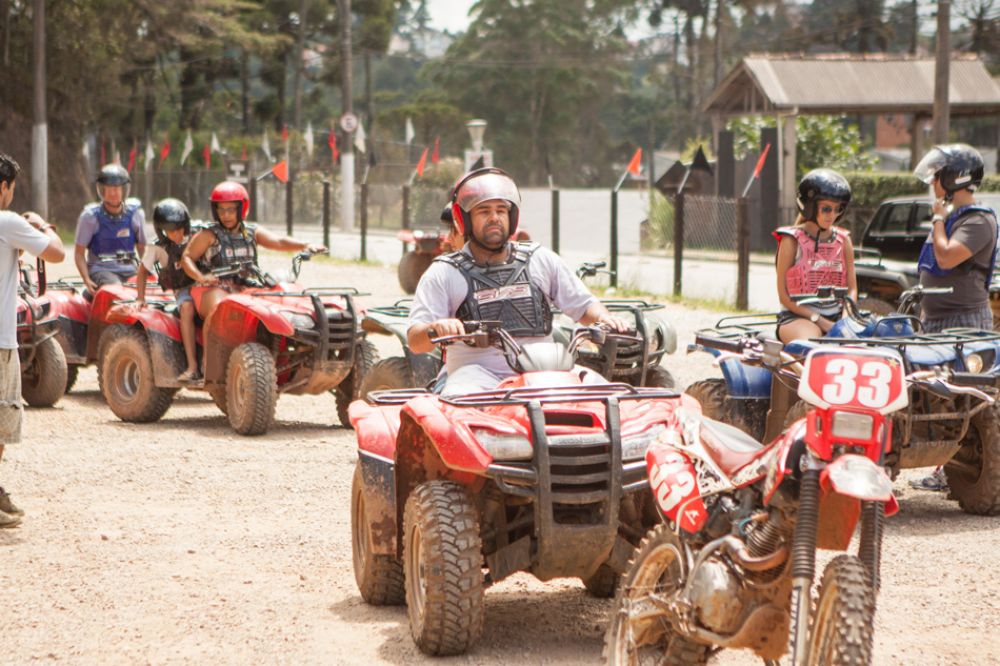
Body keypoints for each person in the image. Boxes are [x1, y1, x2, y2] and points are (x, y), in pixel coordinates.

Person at [407, 167, 628, 396]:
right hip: (477, 378)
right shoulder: (443, 273)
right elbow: (415, 341)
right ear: (464, 219)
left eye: (501, 210)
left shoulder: (541, 259)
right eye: (484, 211)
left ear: (512, 217)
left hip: (546, 374)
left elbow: (583, 305)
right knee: (459, 403)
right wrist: (435, 329)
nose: (494, 218)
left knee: (611, 397)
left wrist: (604, 318)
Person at [910, 144, 998, 492]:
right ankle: (942, 468)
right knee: (934, 396)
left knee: (966, 399)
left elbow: (946, 258)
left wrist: (936, 217)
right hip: (936, 318)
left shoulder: (978, 220)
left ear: (954, 178)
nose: (932, 181)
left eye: (937, 175)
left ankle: (957, 473)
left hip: (963, 320)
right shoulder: (956, 218)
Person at [0, 153, 65, 528]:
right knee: (3, 415)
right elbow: (55, 252)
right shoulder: (7, 220)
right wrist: (41, 224)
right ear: (4, 187)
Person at [180, 181, 326, 330]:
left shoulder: (252, 232)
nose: (225, 215)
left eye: (231, 210)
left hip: (246, 288)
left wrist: (305, 245)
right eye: (221, 210)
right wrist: (201, 277)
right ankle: (209, 354)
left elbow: (279, 242)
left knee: (279, 303)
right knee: (222, 310)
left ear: (242, 209)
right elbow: (187, 258)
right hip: (212, 289)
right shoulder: (208, 234)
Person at [773, 168, 857, 344]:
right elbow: (784, 297)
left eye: (838, 209)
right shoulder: (791, 240)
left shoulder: (844, 240)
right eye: (826, 209)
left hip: (838, 318)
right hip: (798, 317)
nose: (832, 215)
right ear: (810, 206)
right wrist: (821, 321)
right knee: (810, 344)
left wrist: (845, 319)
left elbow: (852, 289)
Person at [136, 198, 202, 383]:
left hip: (204, 285)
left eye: (180, 228)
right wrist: (140, 299)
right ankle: (192, 367)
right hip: (183, 289)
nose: (177, 234)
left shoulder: (198, 235)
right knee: (187, 308)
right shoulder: (156, 246)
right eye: (171, 231)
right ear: (161, 230)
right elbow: (141, 273)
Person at [74, 164, 146, 295]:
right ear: (101, 190)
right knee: (117, 291)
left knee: (150, 290)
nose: (114, 193)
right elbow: (79, 253)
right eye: (109, 189)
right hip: (102, 270)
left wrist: (149, 271)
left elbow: (142, 248)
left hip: (130, 269)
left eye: (118, 188)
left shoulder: (136, 214)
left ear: (125, 190)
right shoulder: (90, 217)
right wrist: (86, 279)